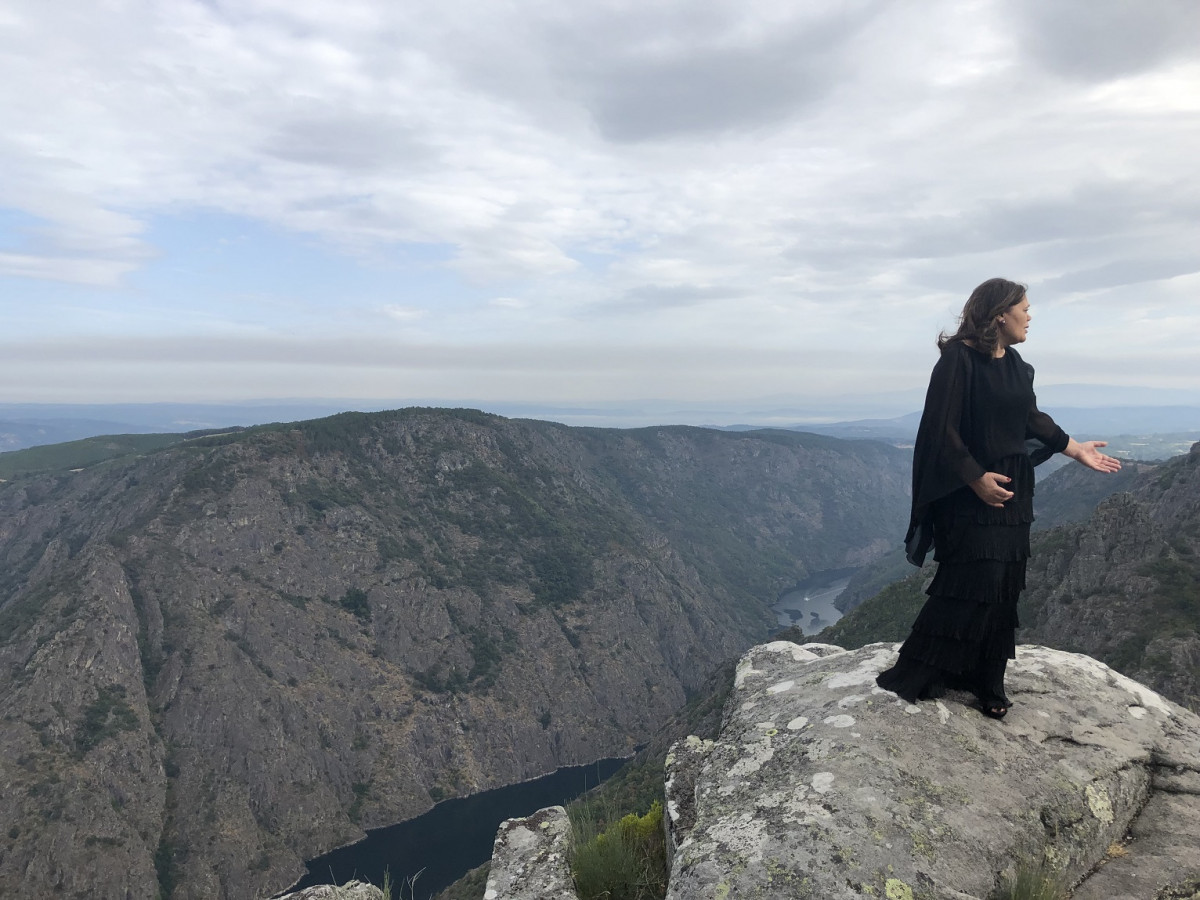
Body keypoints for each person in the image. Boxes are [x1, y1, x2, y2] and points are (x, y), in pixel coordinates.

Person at [875, 278, 1122, 719]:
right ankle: (921, 671)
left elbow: (1029, 418)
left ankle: (984, 678)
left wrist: (1074, 447)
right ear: (1000, 314)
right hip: (969, 496)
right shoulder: (957, 361)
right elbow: (940, 429)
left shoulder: (1016, 363)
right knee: (972, 581)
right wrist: (974, 479)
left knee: (1004, 585)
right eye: (1025, 309)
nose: (1030, 317)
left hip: (1013, 490)